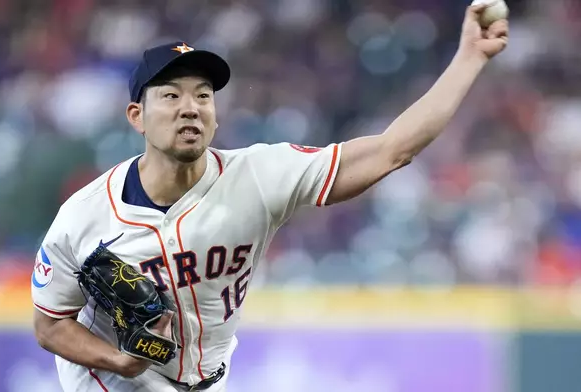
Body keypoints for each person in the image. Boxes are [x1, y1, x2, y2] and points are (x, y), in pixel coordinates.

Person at [32, 5, 509, 391]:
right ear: (137, 115)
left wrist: (469, 57)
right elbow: (50, 325)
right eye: (171, 96)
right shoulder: (84, 217)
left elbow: (391, 150)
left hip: (206, 377)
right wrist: (117, 358)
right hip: (112, 379)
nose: (190, 108)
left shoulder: (259, 176)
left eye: (203, 95)